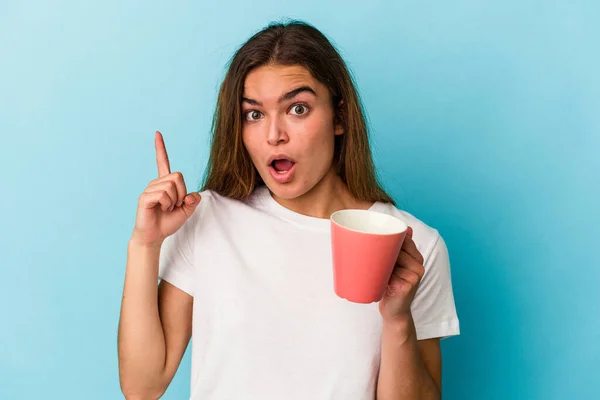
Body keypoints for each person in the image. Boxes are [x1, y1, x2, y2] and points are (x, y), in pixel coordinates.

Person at [117, 20, 460, 400]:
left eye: (297, 108)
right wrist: (145, 244)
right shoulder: (208, 220)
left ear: (340, 117)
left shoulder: (414, 246)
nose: (273, 134)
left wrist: (397, 320)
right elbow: (143, 387)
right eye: (254, 114)